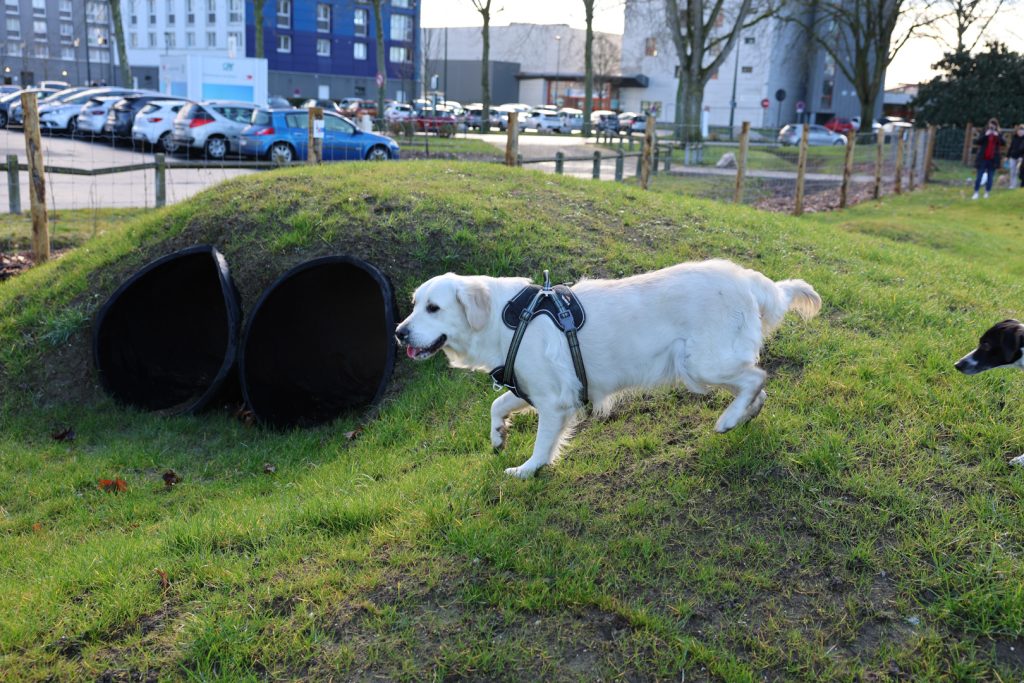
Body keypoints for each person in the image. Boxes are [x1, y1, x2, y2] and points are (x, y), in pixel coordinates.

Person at [973, 118, 1004, 199]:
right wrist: (986, 135)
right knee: (979, 176)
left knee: (990, 177)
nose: (992, 126)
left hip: (993, 159)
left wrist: (997, 136)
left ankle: (987, 192)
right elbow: (978, 142)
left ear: (996, 126)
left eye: (994, 124)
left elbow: (1003, 143)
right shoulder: (984, 131)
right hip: (983, 158)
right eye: (991, 124)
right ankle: (976, 192)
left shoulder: (999, 133)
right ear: (988, 124)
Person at [1011, 124, 1024, 189]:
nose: (1020, 131)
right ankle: (1013, 185)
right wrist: (1008, 156)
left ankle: (1020, 184)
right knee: (1012, 171)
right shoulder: (1014, 138)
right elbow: (1011, 147)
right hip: (1013, 157)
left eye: (1022, 130)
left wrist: (1021, 157)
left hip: (1021, 158)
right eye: (1019, 130)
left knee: (1018, 171)